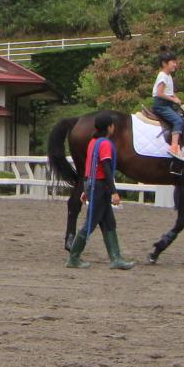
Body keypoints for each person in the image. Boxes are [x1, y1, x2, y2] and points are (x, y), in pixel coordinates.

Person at [66, 111, 133, 269]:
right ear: (109, 127)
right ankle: (73, 258)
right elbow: (106, 169)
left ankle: (116, 258)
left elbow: (89, 168)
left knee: (109, 222)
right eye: (112, 125)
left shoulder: (92, 143)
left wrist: (85, 188)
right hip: (100, 187)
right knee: (90, 223)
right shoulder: (104, 144)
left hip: (93, 184)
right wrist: (114, 191)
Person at [150, 51, 184, 178]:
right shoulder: (162, 76)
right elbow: (160, 93)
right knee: (178, 121)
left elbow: (170, 93)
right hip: (161, 105)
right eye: (173, 62)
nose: (175, 65)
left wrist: (178, 99)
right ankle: (174, 147)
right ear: (164, 64)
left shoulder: (168, 76)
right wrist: (173, 100)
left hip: (167, 103)